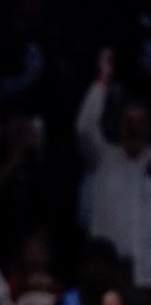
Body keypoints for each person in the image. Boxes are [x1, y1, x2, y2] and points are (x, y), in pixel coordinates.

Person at [75, 46, 151, 299]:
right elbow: (85, 127)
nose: (134, 128)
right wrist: (102, 79)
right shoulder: (103, 158)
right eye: (129, 121)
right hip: (108, 279)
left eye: (140, 122)